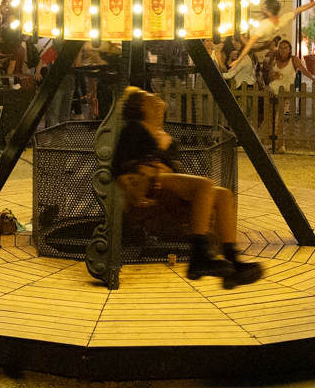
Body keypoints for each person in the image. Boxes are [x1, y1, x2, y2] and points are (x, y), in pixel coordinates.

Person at [110, 87, 263, 286]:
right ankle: (199, 257)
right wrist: (134, 177)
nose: (157, 99)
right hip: (149, 187)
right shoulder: (133, 128)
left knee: (224, 195)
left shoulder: (165, 137)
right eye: (150, 98)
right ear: (140, 106)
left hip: (167, 188)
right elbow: (117, 166)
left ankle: (233, 261)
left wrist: (165, 155)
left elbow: (173, 168)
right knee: (204, 185)